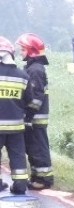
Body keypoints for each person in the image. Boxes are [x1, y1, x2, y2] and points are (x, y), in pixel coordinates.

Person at [16, 33, 53, 190]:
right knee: (34, 148)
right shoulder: (34, 68)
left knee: (38, 148)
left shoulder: (35, 70)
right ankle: (38, 177)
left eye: (22, 49)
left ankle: (43, 180)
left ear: (31, 51)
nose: (20, 52)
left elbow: (35, 98)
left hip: (35, 118)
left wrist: (27, 116)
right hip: (35, 118)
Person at [0, 36, 31, 195]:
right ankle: (20, 185)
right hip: (16, 127)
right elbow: (29, 101)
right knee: (18, 156)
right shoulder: (23, 76)